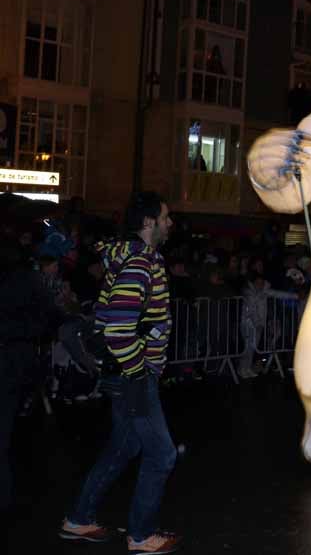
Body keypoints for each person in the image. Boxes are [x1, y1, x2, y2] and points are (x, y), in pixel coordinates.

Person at [60, 191, 182, 554]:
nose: (170, 223)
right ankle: (142, 536)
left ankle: (79, 519)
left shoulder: (140, 259)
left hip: (128, 372)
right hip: (132, 375)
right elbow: (118, 329)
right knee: (162, 454)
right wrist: (138, 372)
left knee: (124, 446)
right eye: (165, 217)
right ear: (148, 223)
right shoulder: (138, 264)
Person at [0, 237, 62, 527]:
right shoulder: (28, 280)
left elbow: (47, 319)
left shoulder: (23, 281)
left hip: (11, 360)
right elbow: (48, 318)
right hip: (15, 361)